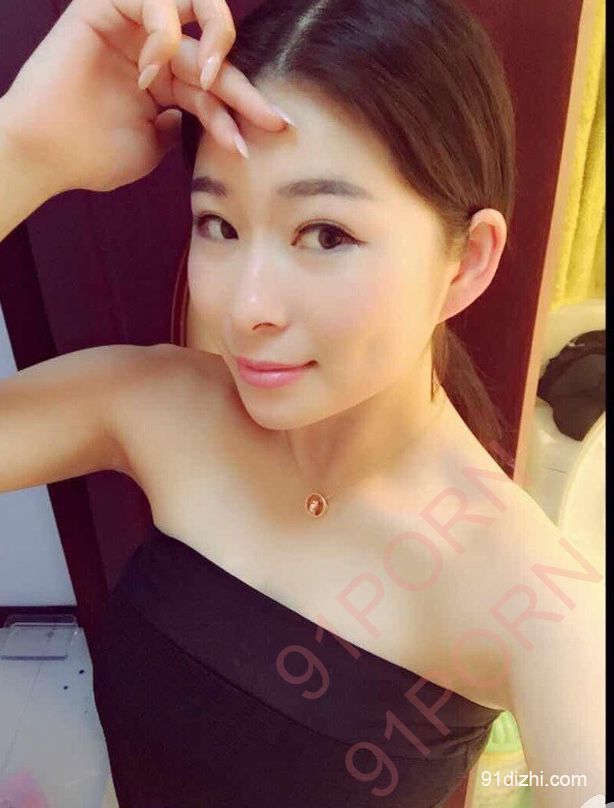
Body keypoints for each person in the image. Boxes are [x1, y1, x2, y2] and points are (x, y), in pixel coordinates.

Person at [0, 0, 604, 806]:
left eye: (325, 234)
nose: (246, 308)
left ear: (465, 263)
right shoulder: (156, 407)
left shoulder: (535, 600)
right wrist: (22, 147)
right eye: (218, 223)